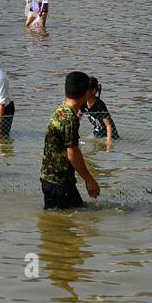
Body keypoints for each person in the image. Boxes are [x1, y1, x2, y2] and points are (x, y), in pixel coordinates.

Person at [40, 71, 101, 209]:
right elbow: (73, 154)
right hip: (58, 183)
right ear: (86, 93)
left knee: (77, 213)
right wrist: (89, 180)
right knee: (57, 225)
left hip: (54, 179)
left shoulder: (61, 109)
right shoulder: (69, 119)